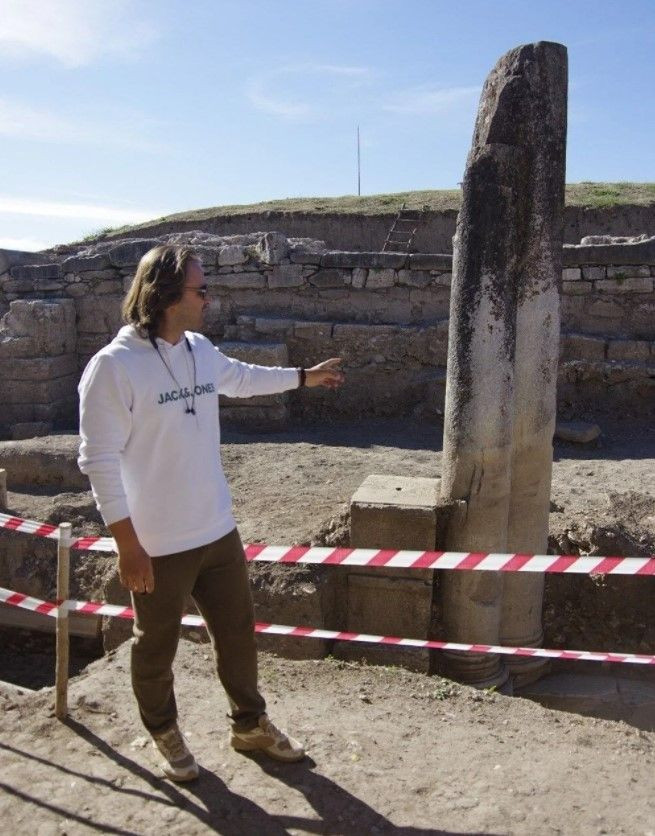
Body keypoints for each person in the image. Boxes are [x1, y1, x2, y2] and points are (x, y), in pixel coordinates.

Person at [78, 244, 344, 781]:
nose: (209, 298)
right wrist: (128, 544)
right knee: (157, 644)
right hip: (156, 541)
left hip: (216, 528)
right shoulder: (113, 367)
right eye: (201, 290)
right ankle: (163, 730)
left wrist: (303, 377)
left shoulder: (198, 348)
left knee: (238, 630)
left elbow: (242, 378)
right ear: (168, 295)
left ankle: (250, 724)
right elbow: (98, 460)